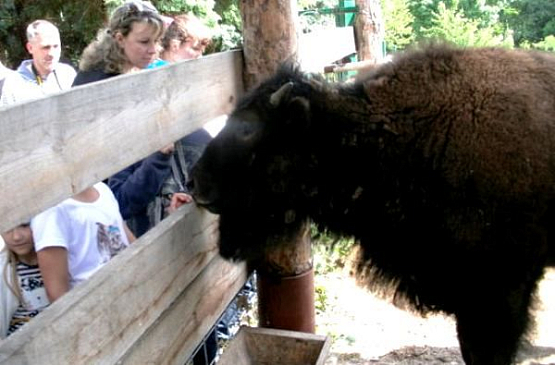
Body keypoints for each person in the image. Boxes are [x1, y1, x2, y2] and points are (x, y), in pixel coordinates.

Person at [31, 182, 135, 302]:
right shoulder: (50, 212)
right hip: (98, 303)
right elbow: (57, 294)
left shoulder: (102, 188)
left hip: (131, 287)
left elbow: (127, 239)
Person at [72, 0, 164, 85]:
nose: (153, 50)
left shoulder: (129, 70)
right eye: (144, 42)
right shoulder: (101, 82)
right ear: (120, 39)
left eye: (156, 40)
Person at [0, 20, 76, 106]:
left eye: (56, 46)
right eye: (45, 47)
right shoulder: (13, 85)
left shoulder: (68, 74)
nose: (51, 53)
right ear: (30, 48)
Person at [0, 225, 49, 338]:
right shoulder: (3, 270)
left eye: (24, 225)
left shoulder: (63, 261)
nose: (16, 237)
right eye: (7, 228)